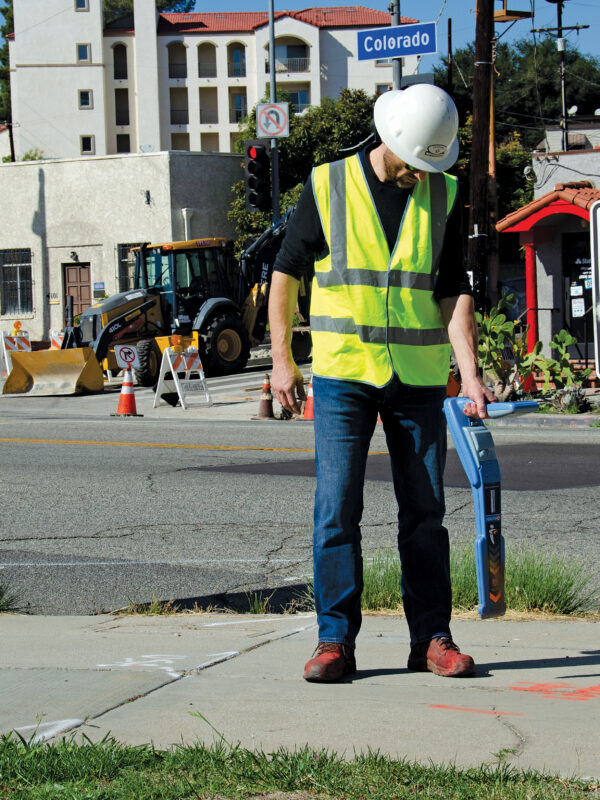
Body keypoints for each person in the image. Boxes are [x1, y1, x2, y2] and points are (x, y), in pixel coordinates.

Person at [268, 84, 496, 683]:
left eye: (433, 164)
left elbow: (454, 290)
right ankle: (334, 642)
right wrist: (281, 361)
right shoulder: (328, 184)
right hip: (345, 375)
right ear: (391, 142)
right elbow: (285, 274)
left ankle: (432, 640)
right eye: (417, 162)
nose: (424, 175)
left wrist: (469, 376)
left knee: (425, 511)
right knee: (336, 508)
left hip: (417, 380)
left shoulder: (442, 191)